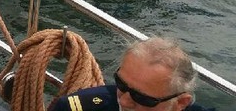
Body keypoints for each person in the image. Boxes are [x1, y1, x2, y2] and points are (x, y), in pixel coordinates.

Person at [49, 37, 209, 111]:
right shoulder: (77, 108)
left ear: (181, 103)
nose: (124, 101)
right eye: (121, 84)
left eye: (142, 98)